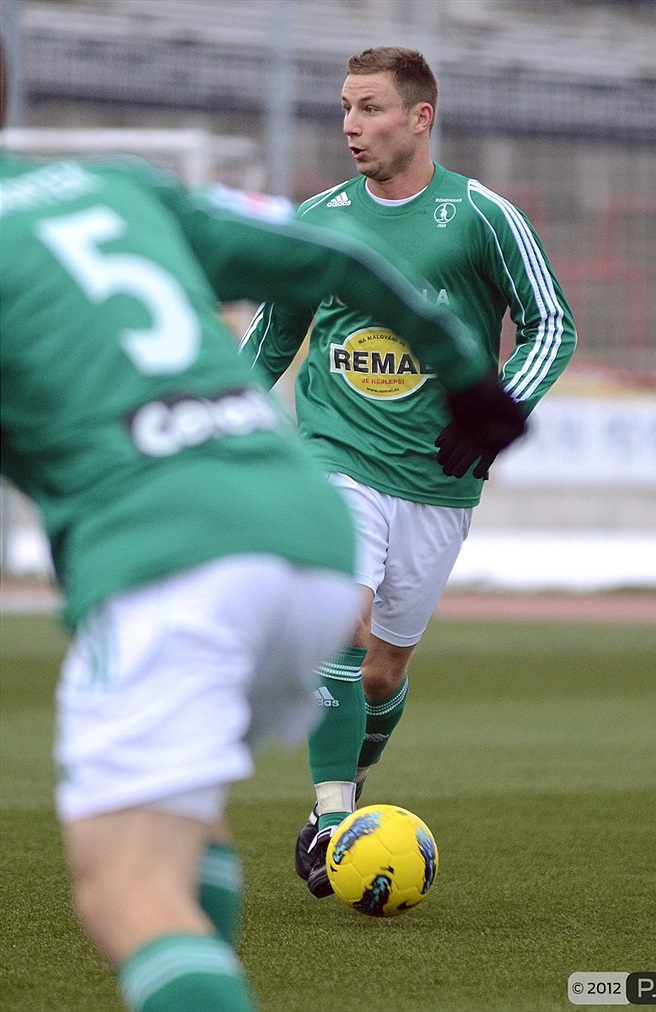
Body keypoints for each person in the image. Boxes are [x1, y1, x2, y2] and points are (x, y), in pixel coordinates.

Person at [0, 43, 526, 1012]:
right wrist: (465, 371)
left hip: (167, 556)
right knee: (184, 830)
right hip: (301, 523)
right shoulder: (118, 187)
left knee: (127, 886)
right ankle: (322, 823)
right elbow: (330, 257)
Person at [239, 46, 577, 899]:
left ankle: (351, 790)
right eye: (345, 107)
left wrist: (497, 413)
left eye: (371, 108)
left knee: (383, 672)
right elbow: (275, 337)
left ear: (420, 117)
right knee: (339, 627)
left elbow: (551, 325)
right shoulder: (319, 217)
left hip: (436, 478)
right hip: (334, 454)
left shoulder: (481, 216)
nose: (351, 125)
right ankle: (329, 820)